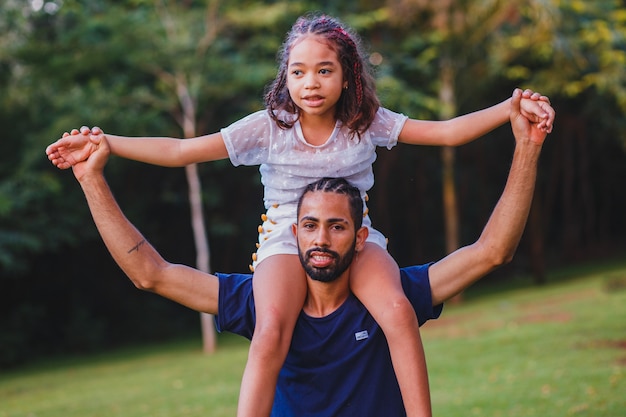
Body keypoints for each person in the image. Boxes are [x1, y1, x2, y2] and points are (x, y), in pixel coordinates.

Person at [46, 13, 555, 417]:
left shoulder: (365, 123)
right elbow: (181, 151)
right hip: (284, 241)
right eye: (298, 71)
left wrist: (508, 109)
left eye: (324, 70)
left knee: (398, 312)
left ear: (347, 74)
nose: (310, 83)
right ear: (285, 77)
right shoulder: (268, 127)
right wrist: (106, 142)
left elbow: (444, 133)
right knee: (270, 330)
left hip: (354, 236)